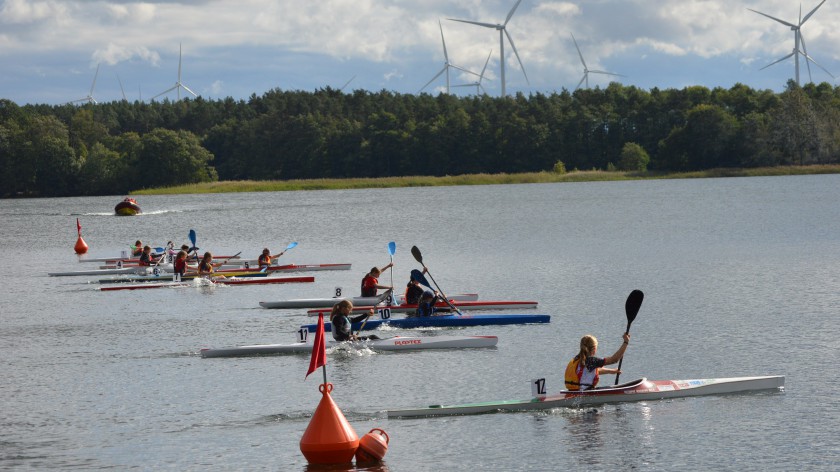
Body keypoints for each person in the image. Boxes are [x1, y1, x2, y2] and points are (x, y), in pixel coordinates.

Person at [564, 333, 630, 391]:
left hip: (572, 391)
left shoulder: (577, 359)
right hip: (584, 393)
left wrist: (611, 371)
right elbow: (614, 360)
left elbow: (588, 372)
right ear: (594, 349)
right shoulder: (591, 360)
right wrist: (625, 342)